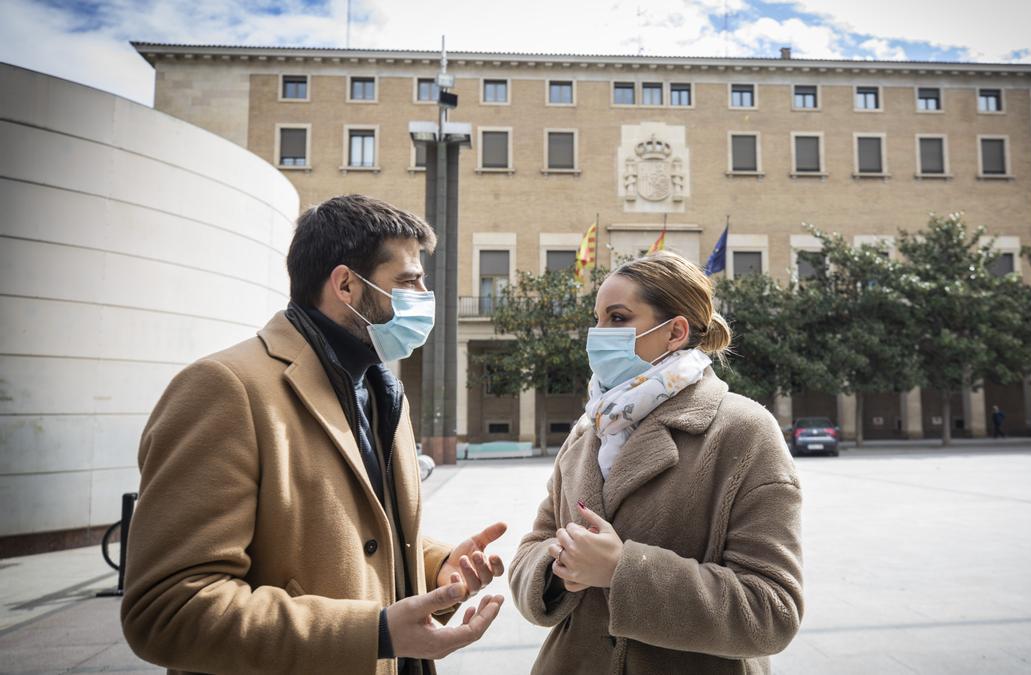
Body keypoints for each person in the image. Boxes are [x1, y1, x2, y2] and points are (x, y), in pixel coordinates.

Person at [121, 195, 506, 674]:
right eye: (408, 282)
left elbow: (348, 533)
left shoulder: (381, 389)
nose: (424, 295)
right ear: (345, 284)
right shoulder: (225, 388)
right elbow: (168, 610)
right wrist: (376, 632)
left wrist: (435, 566)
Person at [509, 251, 804, 673]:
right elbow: (531, 549)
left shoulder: (744, 430)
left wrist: (622, 571)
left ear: (675, 331)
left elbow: (772, 612)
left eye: (617, 317)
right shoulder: (589, 428)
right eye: (597, 319)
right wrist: (556, 567)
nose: (598, 334)